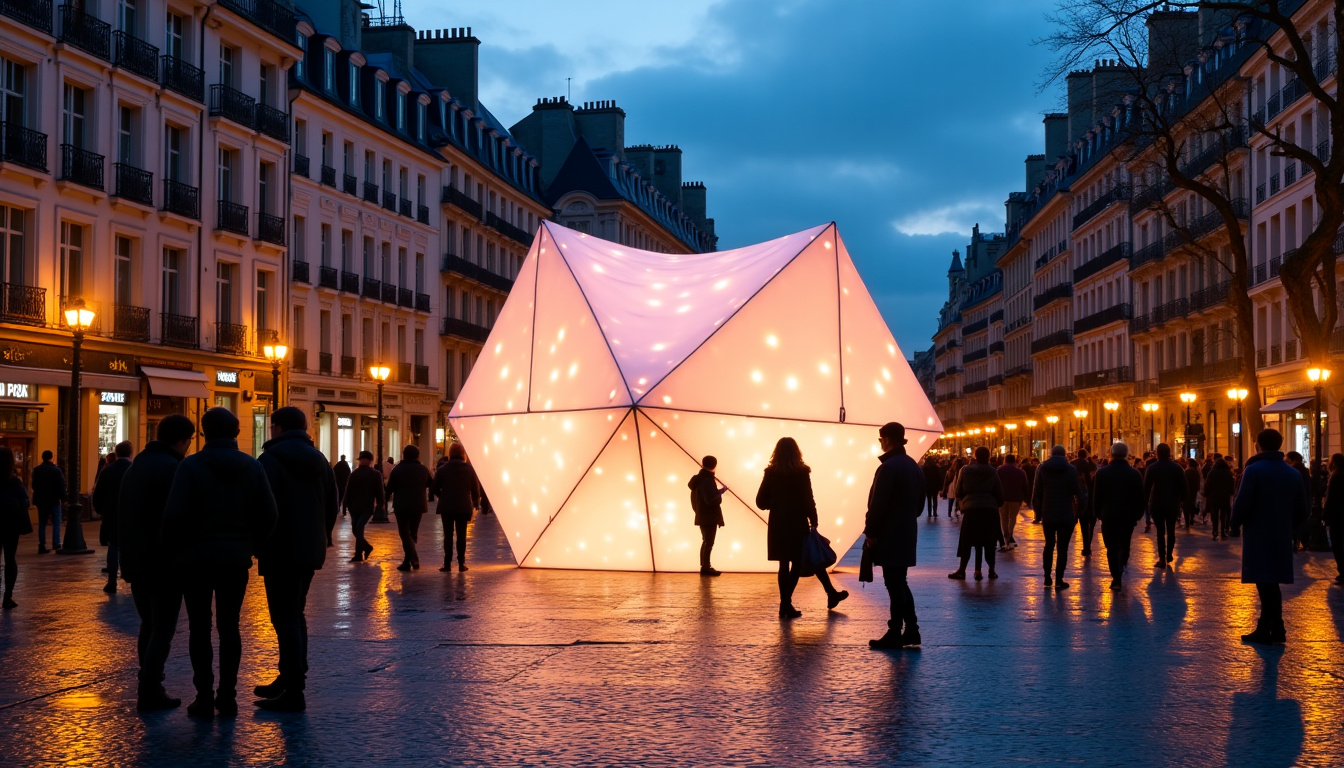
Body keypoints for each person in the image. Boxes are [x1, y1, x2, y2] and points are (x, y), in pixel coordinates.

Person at [161, 407, 277, 718]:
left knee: (200, 628)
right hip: (235, 560)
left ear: (204, 432)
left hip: (195, 560)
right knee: (230, 627)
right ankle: (228, 696)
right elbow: (269, 514)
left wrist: (181, 548)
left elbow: (173, 515)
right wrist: (251, 545)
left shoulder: (189, 467)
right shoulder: (253, 467)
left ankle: (204, 695)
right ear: (237, 433)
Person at [255, 407, 337, 713]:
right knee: (295, 614)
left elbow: (262, 508)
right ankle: (289, 677)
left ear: (276, 428)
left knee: (284, 618)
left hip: (279, 550)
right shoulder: (320, 460)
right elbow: (332, 504)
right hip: (309, 550)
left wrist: (259, 543)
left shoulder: (269, 461)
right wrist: (321, 536)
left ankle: (294, 691)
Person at [118, 414, 195, 712]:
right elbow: (179, 517)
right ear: (181, 440)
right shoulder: (174, 469)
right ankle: (149, 688)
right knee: (162, 628)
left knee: (148, 626)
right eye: (188, 441)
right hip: (164, 563)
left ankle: (150, 684)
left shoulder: (136, 466)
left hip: (136, 561)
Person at [1231, 428, 1310, 644]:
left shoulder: (1254, 470)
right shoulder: (1292, 473)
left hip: (1258, 533)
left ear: (1258, 445)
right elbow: (1303, 508)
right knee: (1271, 582)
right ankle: (1274, 627)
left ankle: (1269, 628)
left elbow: (1242, 502)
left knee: (1265, 583)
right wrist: (1290, 528)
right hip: (1281, 533)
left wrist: (1234, 523)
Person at [756, 437, 847, 618]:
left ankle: (790, 603)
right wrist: (813, 518)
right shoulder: (802, 472)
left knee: (784, 564)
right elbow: (808, 498)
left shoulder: (770, 472)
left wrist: (775, 504)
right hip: (797, 522)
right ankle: (787, 603)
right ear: (797, 452)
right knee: (799, 562)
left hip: (778, 523)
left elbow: (760, 501)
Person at [863, 422, 925, 649]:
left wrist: (871, 531)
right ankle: (911, 630)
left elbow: (877, 504)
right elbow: (920, 505)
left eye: (880, 440)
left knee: (894, 583)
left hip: (890, 534)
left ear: (886, 438)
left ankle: (895, 631)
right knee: (900, 582)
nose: (880, 444)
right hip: (906, 532)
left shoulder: (888, 467)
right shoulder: (913, 466)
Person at [1093, 442, 1145, 591]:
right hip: (1128, 516)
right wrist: (1138, 514)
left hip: (1109, 515)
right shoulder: (1134, 473)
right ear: (1126, 455)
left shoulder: (1102, 473)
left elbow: (1097, 496)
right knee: (1125, 543)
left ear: (1112, 454)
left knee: (1111, 547)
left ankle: (1115, 577)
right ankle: (1121, 565)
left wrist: (1098, 513)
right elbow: (1140, 497)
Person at [1032, 445, 1082, 589]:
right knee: (1062, 548)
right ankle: (1059, 579)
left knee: (1048, 545)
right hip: (1066, 512)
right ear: (1065, 454)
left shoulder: (1042, 468)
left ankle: (1047, 577)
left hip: (1048, 512)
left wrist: (1038, 513)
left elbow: (1036, 493)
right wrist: (1077, 512)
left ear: (1051, 454)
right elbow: (1077, 492)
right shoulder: (1071, 469)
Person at [951, 447, 1004, 581]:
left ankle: (962, 570)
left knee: (967, 541)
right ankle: (991, 570)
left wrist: (964, 503)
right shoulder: (993, 471)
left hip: (971, 509)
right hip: (989, 510)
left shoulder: (965, 470)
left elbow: (958, 491)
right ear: (988, 456)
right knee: (989, 541)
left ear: (975, 456)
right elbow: (999, 493)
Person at [429, 442, 479, 572]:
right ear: (462, 454)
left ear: (450, 454)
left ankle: (447, 563)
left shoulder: (442, 469)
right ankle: (461, 563)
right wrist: (475, 502)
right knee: (461, 535)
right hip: (463, 506)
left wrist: (442, 496)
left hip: (447, 506)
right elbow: (475, 488)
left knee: (448, 535)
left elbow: (433, 488)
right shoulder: (469, 469)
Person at [93, 441, 133, 593]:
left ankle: (111, 581)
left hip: (111, 515)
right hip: (130, 515)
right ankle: (130, 577)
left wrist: (101, 510)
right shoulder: (134, 468)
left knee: (113, 546)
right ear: (131, 453)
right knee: (130, 546)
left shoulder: (108, 471)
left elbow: (98, 494)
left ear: (116, 453)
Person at [386, 445, 431, 572]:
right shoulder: (423, 469)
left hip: (402, 505)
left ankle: (412, 559)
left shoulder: (397, 469)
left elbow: (390, 488)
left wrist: (383, 500)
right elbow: (430, 484)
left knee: (404, 533)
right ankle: (409, 560)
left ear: (404, 455)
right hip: (418, 505)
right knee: (412, 533)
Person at [1143, 443, 1186, 570]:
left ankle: (1162, 558)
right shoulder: (1177, 468)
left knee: (1160, 532)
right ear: (1169, 453)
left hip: (1157, 504)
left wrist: (1144, 503)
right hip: (1172, 503)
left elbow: (1146, 488)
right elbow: (1184, 488)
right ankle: (1170, 555)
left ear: (1157, 453)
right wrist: (1181, 501)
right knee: (1171, 529)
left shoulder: (1152, 468)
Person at [0, 447, 30, 609]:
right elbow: (25, 501)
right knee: (10, 559)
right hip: (10, 524)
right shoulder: (14, 481)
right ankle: (7, 596)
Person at [688, 455, 726, 576]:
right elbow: (711, 499)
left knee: (706, 541)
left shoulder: (699, 479)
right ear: (714, 465)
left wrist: (719, 491)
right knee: (709, 542)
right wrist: (720, 493)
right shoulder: (707, 480)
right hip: (709, 516)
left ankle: (705, 566)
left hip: (702, 515)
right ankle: (706, 567)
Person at [344, 451, 383, 562]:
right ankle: (367, 547)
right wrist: (344, 505)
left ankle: (358, 554)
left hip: (364, 507)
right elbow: (348, 490)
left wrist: (381, 503)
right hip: (356, 506)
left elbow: (379, 491)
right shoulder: (355, 474)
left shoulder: (373, 474)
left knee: (358, 528)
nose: (363, 461)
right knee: (355, 529)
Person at [30, 450, 65, 553]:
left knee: (42, 523)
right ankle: (56, 543)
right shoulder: (56, 470)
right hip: (54, 499)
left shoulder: (37, 470)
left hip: (41, 500)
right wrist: (63, 497)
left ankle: (42, 545)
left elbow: (34, 485)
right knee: (56, 522)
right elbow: (61, 486)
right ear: (51, 457)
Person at [996, 454, 1028, 551]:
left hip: (1002, 498)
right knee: (1012, 518)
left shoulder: (999, 470)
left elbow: (995, 484)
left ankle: (1006, 537)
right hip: (1015, 498)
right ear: (1014, 461)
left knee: (1003, 518)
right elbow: (1025, 486)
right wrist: (1024, 498)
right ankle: (1010, 535)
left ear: (1005, 460)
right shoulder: (1021, 472)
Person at [1072, 449, 1098, 557]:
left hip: (1080, 501)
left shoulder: (1072, 465)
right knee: (1091, 525)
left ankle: (1086, 546)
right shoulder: (1092, 469)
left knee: (1083, 525)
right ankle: (1087, 546)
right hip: (1091, 502)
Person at [1324, 453, 1344, 586]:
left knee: (1337, 544)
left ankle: (1342, 572)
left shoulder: (1335, 476)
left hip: (1337, 516)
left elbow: (1330, 498)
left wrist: (1325, 515)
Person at [1205, 456, 1235, 540]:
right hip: (1225, 496)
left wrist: (1207, 494)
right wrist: (1231, 492)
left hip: (1214, 496)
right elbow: (1231, 483)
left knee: (1214, 514)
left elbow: (1208, 484)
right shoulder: (1228, 472)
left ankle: (1215, 531)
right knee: (1223, 514)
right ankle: (1223, 531)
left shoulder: (1212, 472)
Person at [1183, 457, 1202, 531]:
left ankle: (1187, 521)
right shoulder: (1196, 471)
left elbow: (1183, 481)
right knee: (1192, 504)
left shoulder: (1186, 471)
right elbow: (1198, 481)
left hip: (1186, 490)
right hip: (1193, 490)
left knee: (1186, 506)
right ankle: (1191, 518)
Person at [332, 455, 352, 523]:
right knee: (344, 497)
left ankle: (338, 508)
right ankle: (343, 510)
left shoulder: (337, 465)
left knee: (339, 497)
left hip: (338, 483)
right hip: (344, 483)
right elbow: (349, 473)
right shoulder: (346, 466)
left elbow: (333, 472)